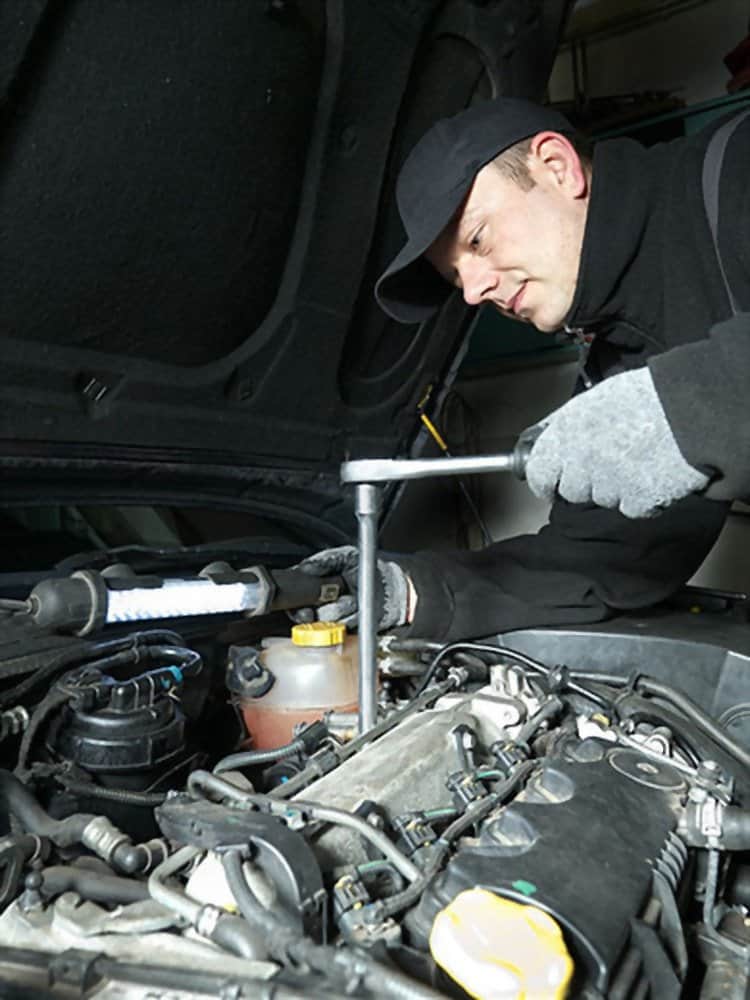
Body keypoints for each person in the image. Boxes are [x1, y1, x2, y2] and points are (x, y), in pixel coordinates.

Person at [293, 96, 749, 643]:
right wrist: (411, 589)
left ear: (557, 167)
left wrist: (690, 410)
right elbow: (606, 557)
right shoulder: (617, 352)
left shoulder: (737, 167)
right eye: (456, 275)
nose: (473, 289)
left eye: (478, 240)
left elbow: (701, 404)